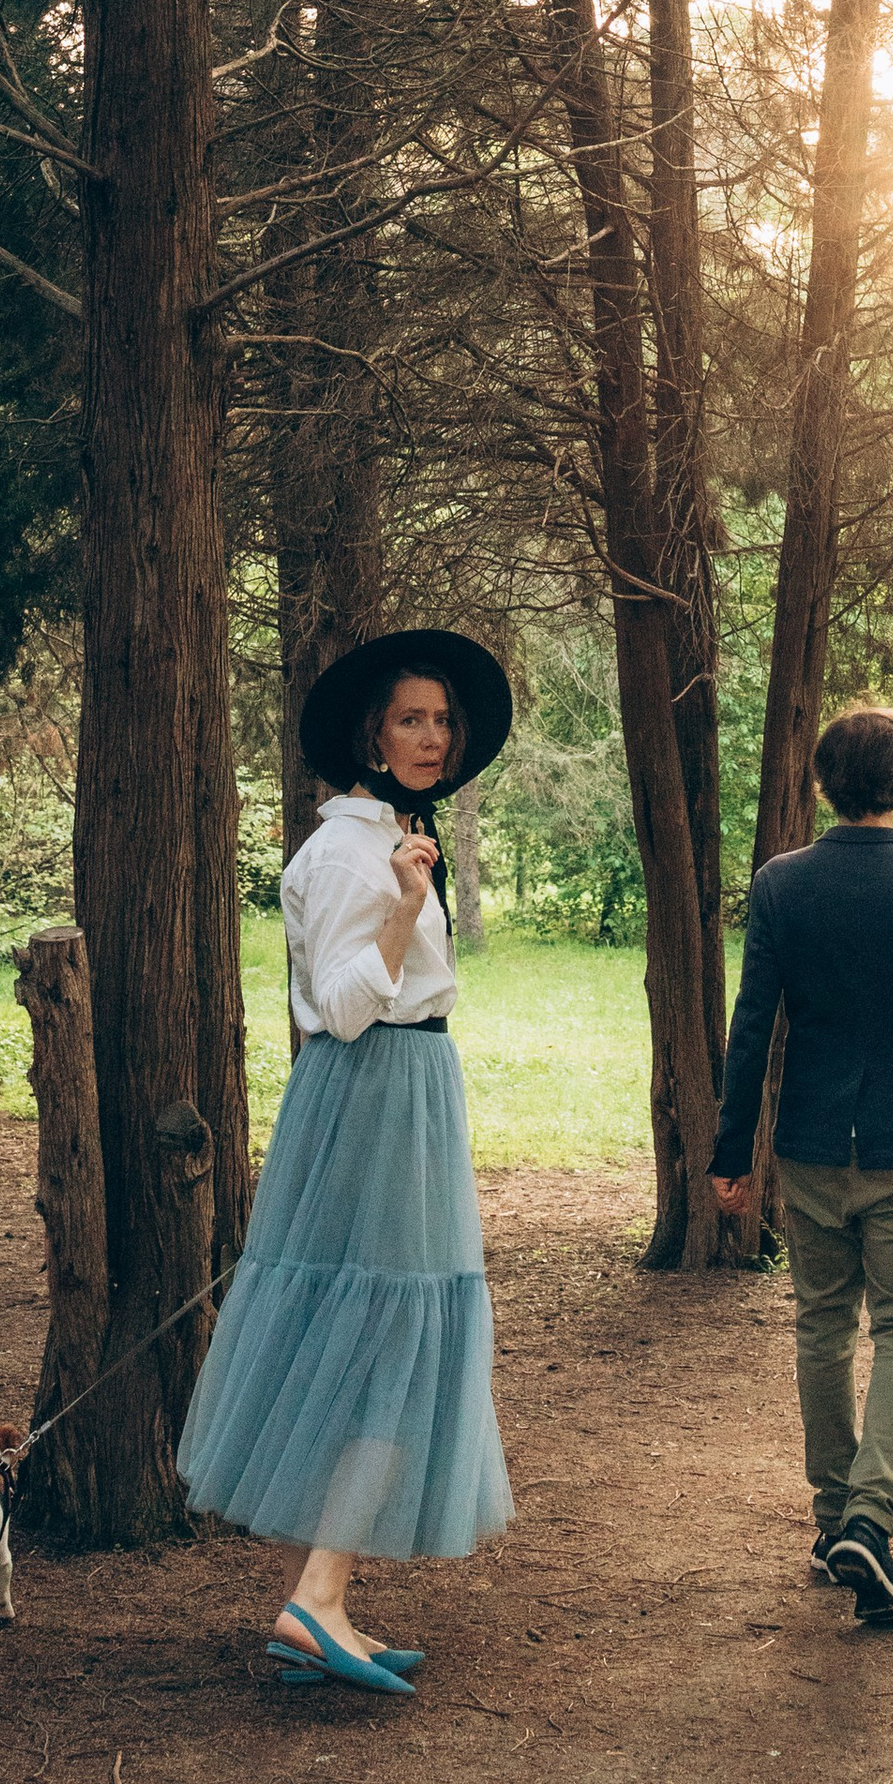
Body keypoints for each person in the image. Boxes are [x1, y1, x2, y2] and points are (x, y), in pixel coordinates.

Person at [177, 628, 516, 1698]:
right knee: (387, 1331)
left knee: (396, 1333)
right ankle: (312, 1595)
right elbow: (337, 1009)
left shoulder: (396, 836)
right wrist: (407, 906)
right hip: (368, 1097)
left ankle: (320, 1599)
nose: (431, 735)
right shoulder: (339, 854)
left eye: (442, 721)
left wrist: (413, 889)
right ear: (370, 732)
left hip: (414, 1092)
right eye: (411, 719)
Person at [708, 702, 893, 1634]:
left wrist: (728, 1154)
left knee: (822, 1327)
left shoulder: (782, 884)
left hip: (809, 1142)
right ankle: (871, 1518)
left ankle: (834, 1517)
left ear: (822, 781)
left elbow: (753, 1024)